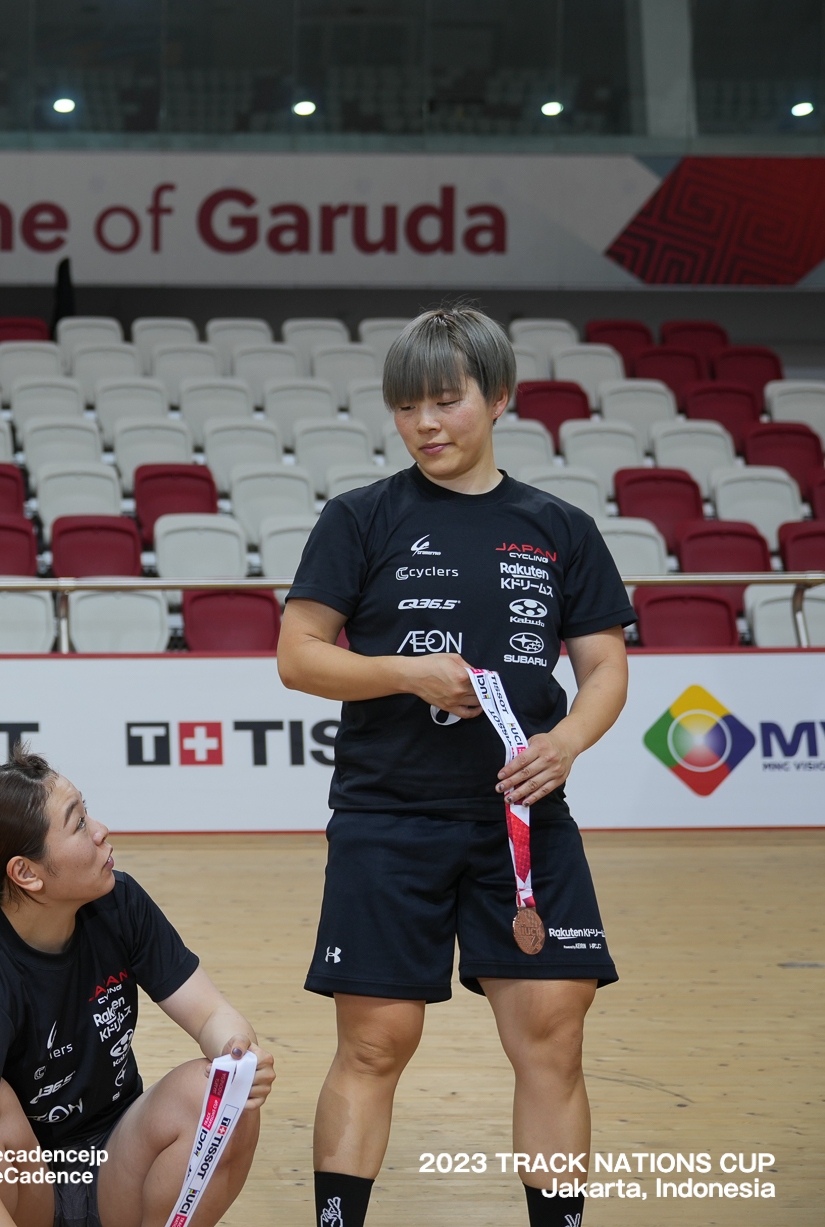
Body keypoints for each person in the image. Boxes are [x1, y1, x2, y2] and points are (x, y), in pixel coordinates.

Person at [275, 305, 634, 1227]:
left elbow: (604, 668)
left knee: (553, 1043)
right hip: (386, 819)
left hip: (525, 824)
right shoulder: (360, 518)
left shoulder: (561, 527)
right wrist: (403, 669)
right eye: (407, 407)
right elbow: (299, 655)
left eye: (446, 401)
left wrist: (566, 743)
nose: (425, 424)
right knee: (374, 1045)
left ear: (498, 397)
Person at [0, 748, 275, 1227]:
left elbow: (211, 1015)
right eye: (78, 824)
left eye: (87, 811)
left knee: (216, 1097)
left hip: (116, 1164)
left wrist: (235, 1053)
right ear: (26, 873)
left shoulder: (119, 904)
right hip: (26, 1189)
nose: (101, 830)